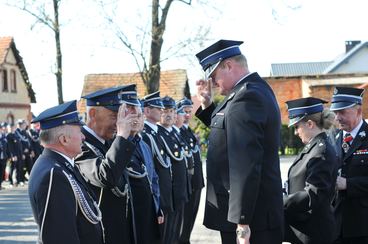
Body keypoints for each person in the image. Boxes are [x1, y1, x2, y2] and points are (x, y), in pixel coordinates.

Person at [195, 39, 284, 244]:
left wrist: (242, 223)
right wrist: (208, 105)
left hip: (251, 220)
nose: (214, 83)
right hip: (250, 215)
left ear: (228, 65)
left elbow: (245, 164)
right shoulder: (251, 90)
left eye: (214, 75)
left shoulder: (246, 97)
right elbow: (229, 131)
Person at [28, 100, 104, 244]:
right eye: (79, 132)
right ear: (64, 139)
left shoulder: (58, 165)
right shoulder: (53, 174)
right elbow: (60, 236)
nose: (83, 137)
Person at [75, 86, 138, 244]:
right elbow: (106, 177)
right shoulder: (80, 146)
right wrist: (123, 136)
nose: (118, 123)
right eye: (113, 116)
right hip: (102, 234)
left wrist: (130, 136)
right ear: (92, 114)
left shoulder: (109, 142)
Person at [283, 97, 338, 244]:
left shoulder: (321, 151)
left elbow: (313, 194)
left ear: (309, 124)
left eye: (297, 127)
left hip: (314, 233)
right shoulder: (313, 148)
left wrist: (279, 201)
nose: (295, 132)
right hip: (305, 231)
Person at [330, 87, 368, 244]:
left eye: (343, 112)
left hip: (362, 226)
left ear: (358, 111)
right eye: (336, 112)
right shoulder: (333, 137)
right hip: (335, 225)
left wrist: (349, 184)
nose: (337, 117)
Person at [124, 97, 162, 244]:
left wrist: (157, 207)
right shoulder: (118, 145)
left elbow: (153, 178)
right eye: (133, 116)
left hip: (149, 212)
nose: (137, 120)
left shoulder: (144, 145)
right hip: (133, 216)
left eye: (140, 116)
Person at [141, 91, 174, 244]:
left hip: (166, 195)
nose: (162, 111)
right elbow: (150, 171)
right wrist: (157, 202)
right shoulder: (145, 135)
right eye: (158, 108)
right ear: (146, 111)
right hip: (158, 197)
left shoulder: (157, 133)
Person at [158, 95, 189, 244]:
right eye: (165, 110)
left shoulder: (174, 134)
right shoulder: (157, 134)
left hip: (178, 192)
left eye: (171, 110)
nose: (169, 114)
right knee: (166, 236)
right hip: (168, 194)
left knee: (175, 233)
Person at [178, 98, 205, 244]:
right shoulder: (178, 132)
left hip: (196, 182)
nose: (187, 115)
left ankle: (186, 239)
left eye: (189, 111)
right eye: (184, 112)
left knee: (190, 219)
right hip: (188, 184)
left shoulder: (188, 131)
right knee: (184, 221)